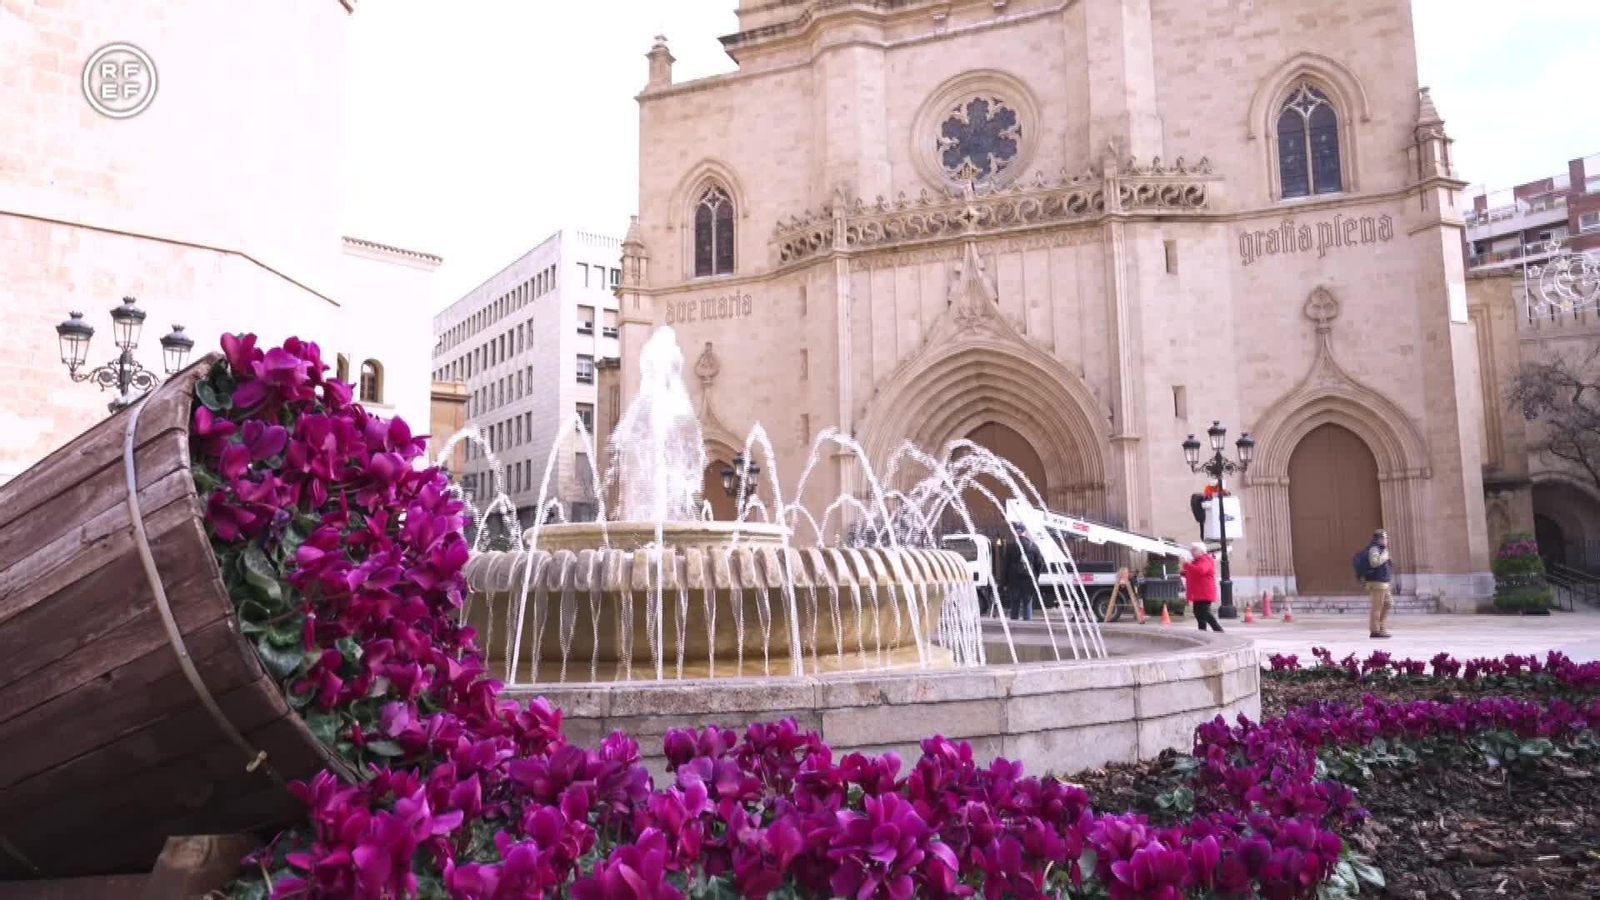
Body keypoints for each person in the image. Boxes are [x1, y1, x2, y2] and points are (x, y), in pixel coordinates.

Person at [1181, 542, 1223, 632]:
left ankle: (1218, 630)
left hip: (1204, 592)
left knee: (1205, 613)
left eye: (1194, 549)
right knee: (1198, 613)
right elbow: (1194, 573)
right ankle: (1202, 631)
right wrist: (1184, 573)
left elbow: (1200, 570)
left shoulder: (1205, 559)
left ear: (1201, 551)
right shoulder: (1197, 561)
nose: (1192, 552)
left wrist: (1186, 565)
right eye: (1191, 550)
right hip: (1198, 593)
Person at [1003, 532, 1045, 620]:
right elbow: (1040, 563)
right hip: (1029, 580)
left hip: (1014, 580)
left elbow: (1005, 566)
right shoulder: (1033, 546)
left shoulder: (1011, 547)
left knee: (1015, 603)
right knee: (1027, 603)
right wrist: (1035, 575)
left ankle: (1014, 627)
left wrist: (1004, 583)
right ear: (1025, 533)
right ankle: (1028, 627)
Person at [1363, 528, 1393, 639]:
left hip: (1384, 582)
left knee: (1388, 603)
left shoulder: (1382, 549)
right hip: (1377, 583)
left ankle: (1381, 628)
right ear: (1379, 539)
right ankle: (1375, 630)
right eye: (1385, 538)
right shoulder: (1374, 549)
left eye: (1386, 538)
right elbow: (1374, 563)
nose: (1386, 540)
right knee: (1377, 607)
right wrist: (1385, 556)